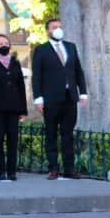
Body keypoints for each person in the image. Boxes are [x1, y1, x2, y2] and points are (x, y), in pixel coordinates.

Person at [31, 18, 88, 180]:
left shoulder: (71, 47)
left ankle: (69, 168)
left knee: (68, 134)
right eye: (55, 27)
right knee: (51, 134)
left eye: (60, 27)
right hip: (50, 99)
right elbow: (37, 77)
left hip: (70, 98)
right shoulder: (41, 50)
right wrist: (38, 98)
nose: (58, 29)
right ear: (48, 30)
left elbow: (78, 71)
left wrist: (83, 93)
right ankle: (53, 168)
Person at [0, 33, 27, 182]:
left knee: (13, 141)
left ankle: (12, 171)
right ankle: (1, 171)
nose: (3, 46)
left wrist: (23, 110)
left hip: (14, 109)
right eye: (0, 44)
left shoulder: (16, 63)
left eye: (6, 43)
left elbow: (21, 86)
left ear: (10, 45)